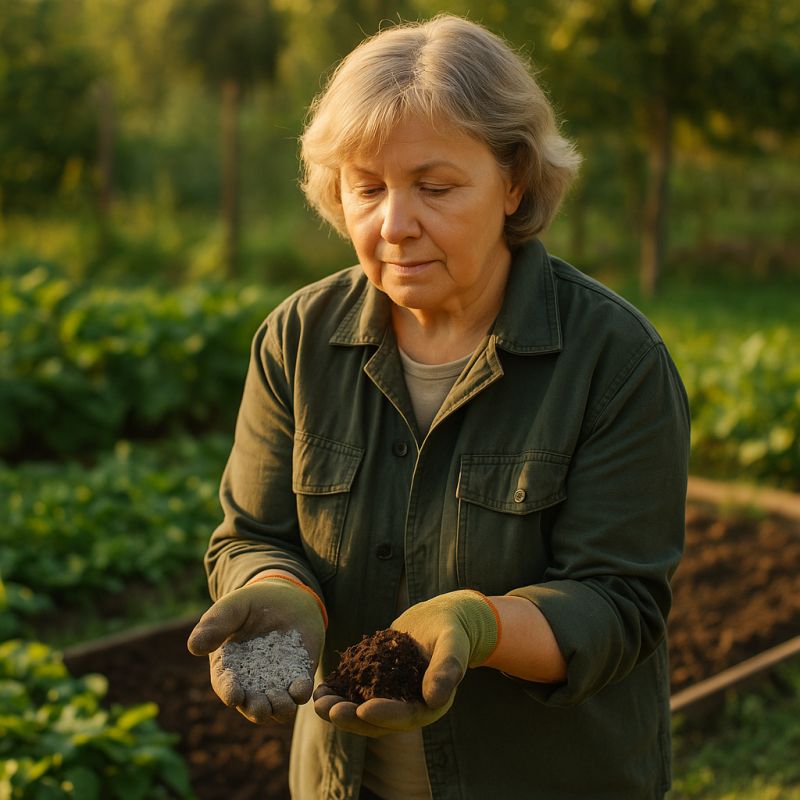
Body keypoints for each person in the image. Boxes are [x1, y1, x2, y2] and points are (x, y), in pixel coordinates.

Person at [187, 14, 690, 800]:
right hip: (345, 782)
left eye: (435, 186)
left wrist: (481, 625)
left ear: (514, 179)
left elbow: (619, 603)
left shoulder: (613, 361)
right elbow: (251, 534)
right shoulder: (297, 340)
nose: (394, 224)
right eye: (368, 187)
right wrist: (281, 594)